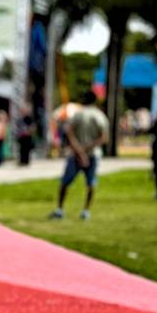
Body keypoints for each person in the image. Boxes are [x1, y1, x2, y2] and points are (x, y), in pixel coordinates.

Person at [50, 91, 109, 221]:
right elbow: (104, 138)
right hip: (93, 154)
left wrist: (80, 152)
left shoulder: (78, 115)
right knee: (91, 183)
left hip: (75, 154)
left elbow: (69, 133)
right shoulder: (100, 116)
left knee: (65, 182)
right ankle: (86, 211)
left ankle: (60, 209)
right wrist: (87, 150)